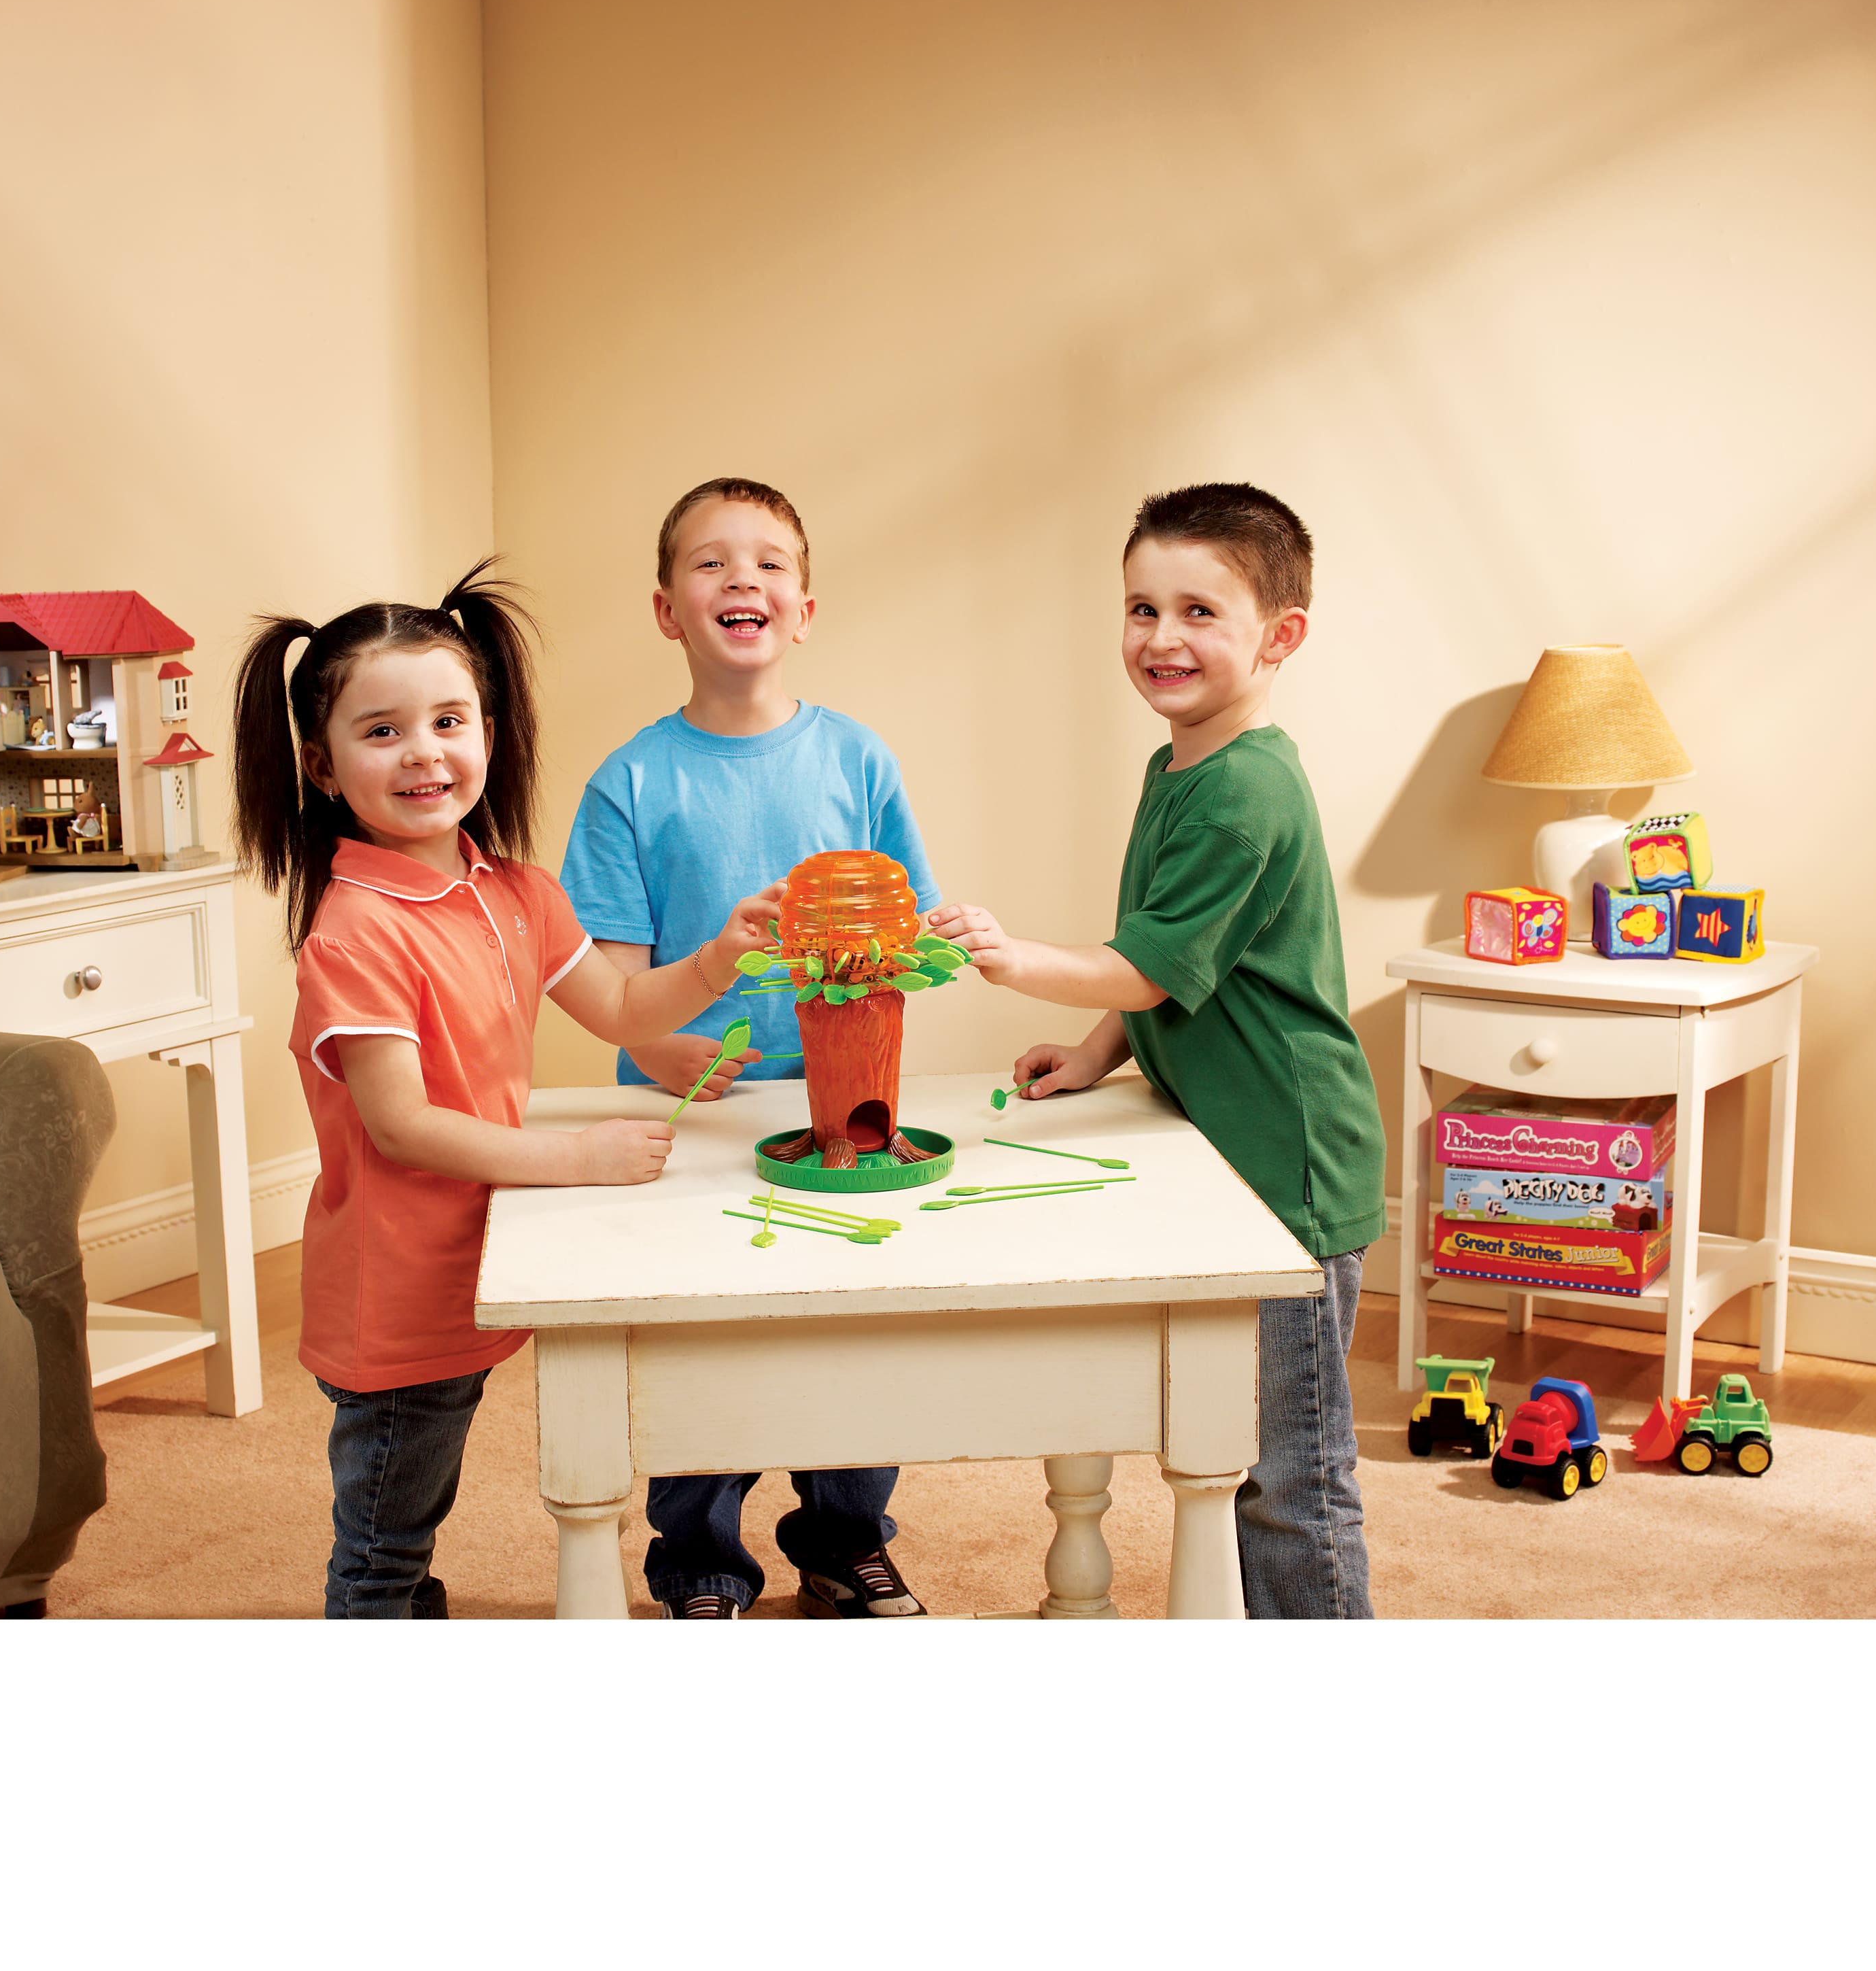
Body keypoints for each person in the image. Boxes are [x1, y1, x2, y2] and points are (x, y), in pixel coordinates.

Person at [235, 560, 783, 1619]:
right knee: (385, 1543)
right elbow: (402, 1126)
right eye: (382, 731)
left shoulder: (516, 893)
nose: (424, 752)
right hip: (399, 1290)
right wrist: (577, 1160)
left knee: (418, 1503)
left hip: (481, 1254)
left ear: (489, 733)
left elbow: (620, 1009)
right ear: (321, 765)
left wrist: (719, 957)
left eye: (449, 721)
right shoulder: (355, 931)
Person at [926, 481, 1383, 1619]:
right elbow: (1174, 954)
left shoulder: (1243, 794)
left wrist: (1014, 959)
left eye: (1199, 612)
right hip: (1229, 1157)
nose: (1161, 637)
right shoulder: (1179, 766)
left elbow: (1142, 965)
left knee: (1290, 1472)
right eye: (1142, 608)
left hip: (1288, 1167)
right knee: (1233, 1443)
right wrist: (1099, 1052)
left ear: (1280, 637)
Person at [560, 476, 941, 1622]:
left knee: (853, 1325)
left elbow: (905, 929)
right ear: (667, 611)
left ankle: (843, 1538)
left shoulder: (858, 760)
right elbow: (612, 982)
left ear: (804, 610)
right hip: (699, 1120)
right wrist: (664, 1053)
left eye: (771, 563)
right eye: (712, 562)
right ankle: (701, 1564)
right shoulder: (629, 782)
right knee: (700, 1339)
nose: (744, 580)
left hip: (840, 1111)